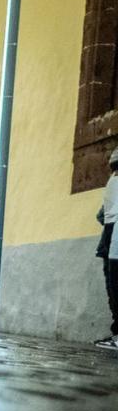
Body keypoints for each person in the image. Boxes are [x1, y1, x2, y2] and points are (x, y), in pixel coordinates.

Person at [92, 148, 118, 350]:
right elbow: (102, 213)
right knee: (112, 284)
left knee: (115, 284)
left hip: (112, 234)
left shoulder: (113, 180)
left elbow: (102, 214)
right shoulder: (113, 181)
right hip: (110, 236)